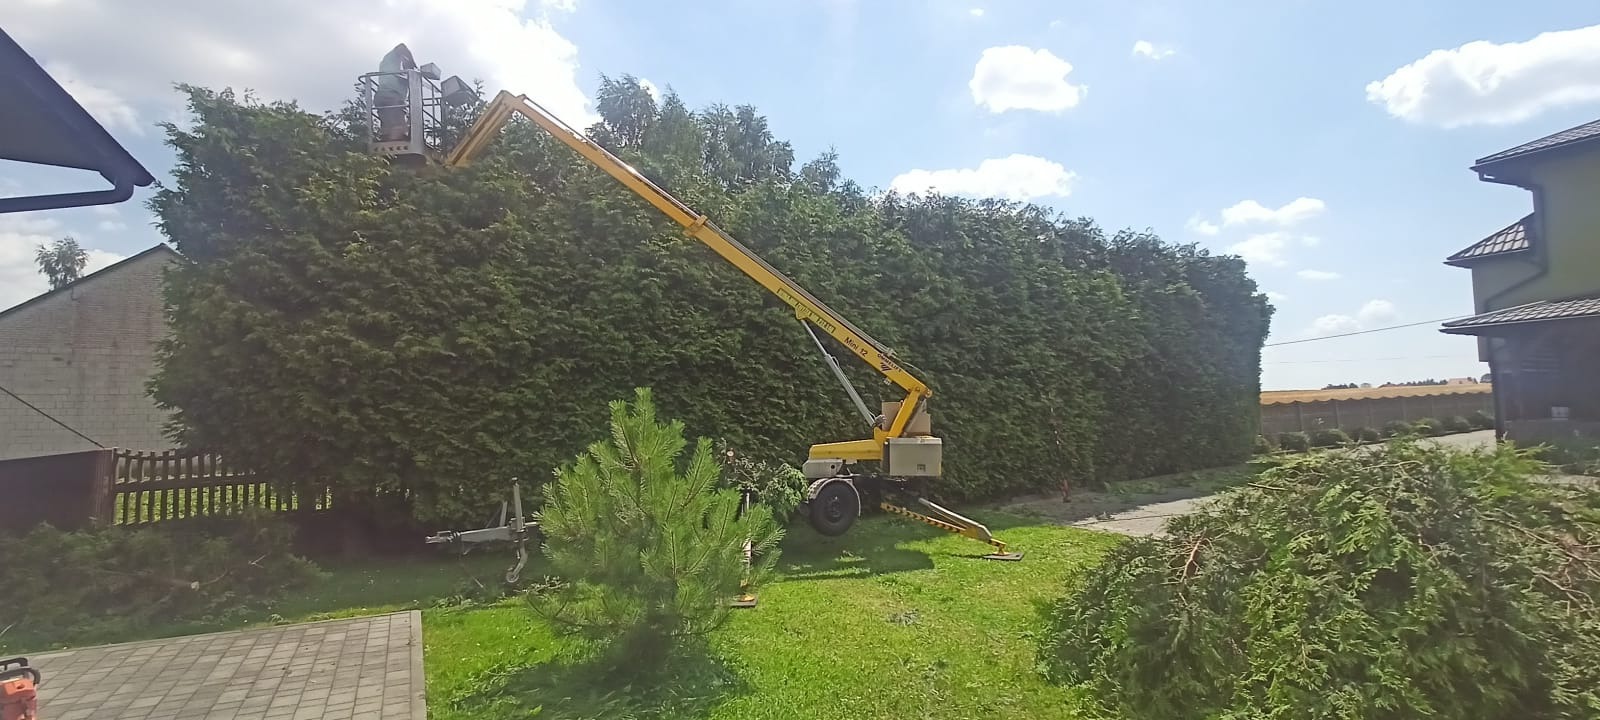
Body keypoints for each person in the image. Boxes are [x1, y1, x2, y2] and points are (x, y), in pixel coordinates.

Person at [375, 43, 416, 141]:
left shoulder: (396, 70)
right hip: (391, 96)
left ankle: (388, 145)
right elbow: (401, 46)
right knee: (399, 127)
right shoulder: (391, 58)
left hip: (383, 96)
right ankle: (395, 142)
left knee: (388, 129)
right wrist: (411, 61)